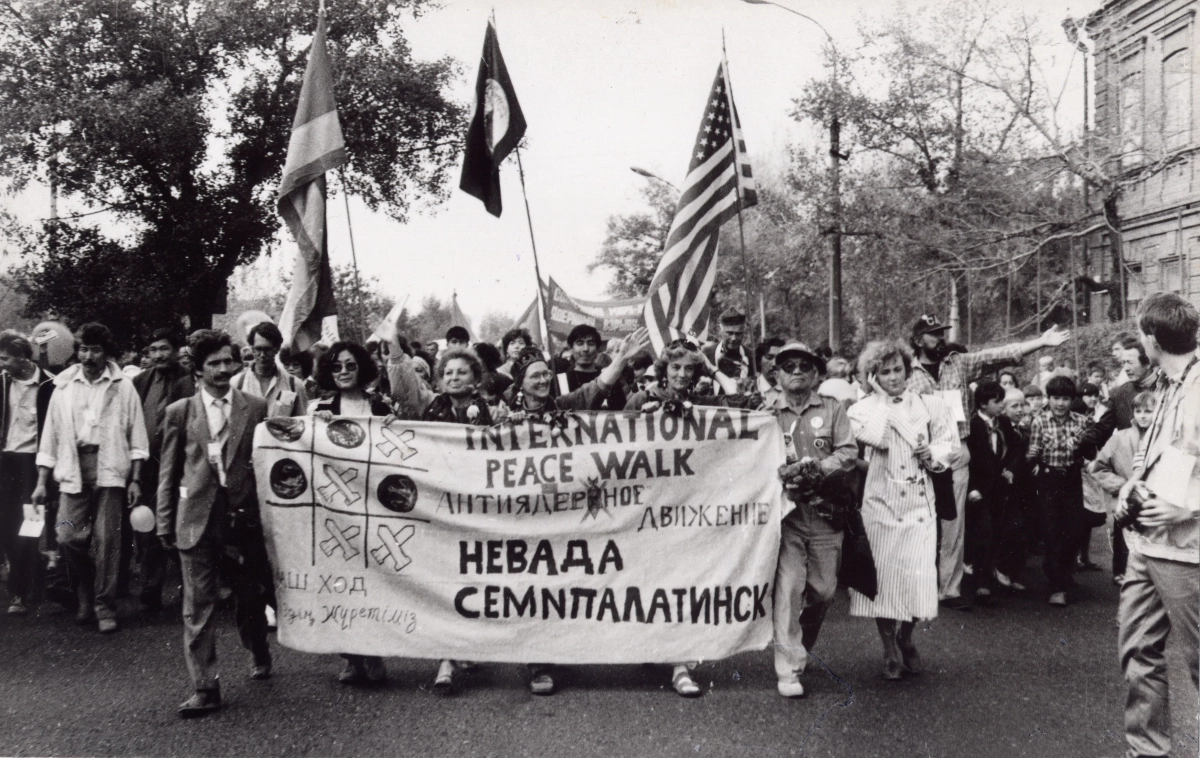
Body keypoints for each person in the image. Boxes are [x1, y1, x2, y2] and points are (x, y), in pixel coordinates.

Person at [906, 313, 1069, 611]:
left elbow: (999, 355)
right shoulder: (906, 371)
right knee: (920, 523)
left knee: (952, 525)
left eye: (943, 333)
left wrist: (1041, 342)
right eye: (933, 334)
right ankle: (918, 585)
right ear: (918, 340)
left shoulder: (957, 362)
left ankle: (949, 590)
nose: (941, 338)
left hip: (955, 451)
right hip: (918, 456)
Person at [156, 329, 273, 717]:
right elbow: (169, 472)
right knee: (198, 605)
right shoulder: (180, 412)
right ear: (198, 370)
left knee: (250, 596)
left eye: (228, 361)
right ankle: (206, 688)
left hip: (241, 521)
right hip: (195, 521)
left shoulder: (254, 408)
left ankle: (258, 649)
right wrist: (164, 521)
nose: (224, 369)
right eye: (214, 364)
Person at [1113, 293, 1199, 758]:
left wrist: (1192, 510)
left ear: (1150, 338)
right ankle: (1146, 751)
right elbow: (1161, 450)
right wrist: (1132, 484)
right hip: (1146, 546)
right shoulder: (1166, 382)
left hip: (1188, 551)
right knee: (1138, 652)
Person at [848, 339, 958, 679]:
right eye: (885, 372)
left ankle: (906, 637)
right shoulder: (862, 408)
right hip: (881, 503)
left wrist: (931, 454)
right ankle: (888, 647)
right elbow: (876, 437)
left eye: (898, 370)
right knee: (883, 579)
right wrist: (879, 396)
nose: (893, 377)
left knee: (917, 578)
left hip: (918, 504)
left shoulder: (933, 404)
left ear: (908, 370)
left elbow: (951, 446)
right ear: (873, 375)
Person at [32, 323, 149, 633]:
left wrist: (136, 479)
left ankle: (103, 605)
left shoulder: (123, 386)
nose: (87, 356)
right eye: (83, 349)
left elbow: (137, 438)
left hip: (111, 468)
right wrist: (42, 482)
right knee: (66, 536)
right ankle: (85, 590)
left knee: (108, 541)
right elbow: (49, 438)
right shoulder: (64, 387)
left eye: (95, 350)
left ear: (106, 352)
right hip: (73, 469)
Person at [762, 342, 857, 698]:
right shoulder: (766, 412)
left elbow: (848, 451)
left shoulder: (832, 409)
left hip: (825, 510)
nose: (797, 371)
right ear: (777, 374)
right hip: (786, 515)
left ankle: (799, 646)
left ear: (816, 373)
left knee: (823, 591)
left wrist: (818, 468)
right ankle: (788, 669)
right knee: (788, 589)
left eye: (804, 365)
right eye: (788, 366)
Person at [307, 341, 394, 687]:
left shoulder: (379, 404)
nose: (343, 372)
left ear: (362, 369)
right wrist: (315, 425)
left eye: (350, 366)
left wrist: (392, 424)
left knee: (371, 581)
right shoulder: (320, 406)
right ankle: (349, 656)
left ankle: (372, 651)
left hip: (372, 503)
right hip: (335, 505)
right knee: (341, 581)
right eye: (336, 367)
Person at [131, 328, 193, 612]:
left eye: (163, 348)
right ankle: (150, 587)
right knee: (147, 527)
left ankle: (187, 590)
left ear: (175, 349)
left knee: (181, 525)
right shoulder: (140, 381)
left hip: (180, 466)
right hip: (147, 466)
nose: (157, 355)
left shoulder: (189, 380)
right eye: (153, 349)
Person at [0, 332, 55, 616]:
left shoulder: (49, 383)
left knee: (30, 525)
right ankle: (26, 579)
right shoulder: (2, 381)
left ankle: (23, 587)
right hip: (6, 461)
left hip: (34, 463)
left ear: (22, 357)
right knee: (7, 526)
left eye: (5, 357)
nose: (2, 363)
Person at [1027, 375, 1089, 607]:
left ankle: (1064, 571)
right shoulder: (1039, 421)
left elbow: (1089, 452)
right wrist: (1032, 468)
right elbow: (1033, 452)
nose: (1060, 404)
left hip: (1072, 478)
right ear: (1048, 399)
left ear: (1071, 400)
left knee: (1074, 529)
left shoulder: (1081, 422)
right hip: (1048, 479)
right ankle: (1057, 586)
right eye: (1055, 398)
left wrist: (1082, 451)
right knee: (1052, 530)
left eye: (1065, 399)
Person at [1090, 391, 1157, 585]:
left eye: (1148, 411)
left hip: (1154, 500)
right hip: (1126, 501)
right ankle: (1120, 572)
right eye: (1138, 411)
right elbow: (1099, 468)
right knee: (1121, 537)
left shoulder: (1161, 439)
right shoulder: (1120, 437)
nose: (1143, 415)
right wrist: (1122, 486)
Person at [965, 381, 1018, 604]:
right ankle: (981, 582)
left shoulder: (1004, 422)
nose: (1000, 405)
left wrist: (1010, 468)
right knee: (982, 533)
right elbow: (968, 460)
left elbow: (1015, 448)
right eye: (997, 401)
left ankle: (995, 573)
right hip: (979, 489)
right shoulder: (972, 425)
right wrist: (972, 488)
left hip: (999, 489)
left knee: (1000, 531)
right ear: (983, 404)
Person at [1078, 338, 1161, 458]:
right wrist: (1078, 441)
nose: (1126, 368)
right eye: (1123, 363)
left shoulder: (1167, 387)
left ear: (1147, 363)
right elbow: (1103, 428)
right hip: (1130, 462)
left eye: (1130, 362)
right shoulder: (1120, 393)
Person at [996, 388, 1032, 591]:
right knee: (1010, 526)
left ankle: (1016, 572)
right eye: (1014, 406)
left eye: (1022, 405)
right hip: (1005, 483)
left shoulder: (1025, 428)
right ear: (1003, 408)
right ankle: (1001, 567)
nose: (1020, 409)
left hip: (1023, 484)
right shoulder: (1001, 427)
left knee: (1024, 527)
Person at [231, 322, 307, 416]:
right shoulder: (237, 383)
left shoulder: (294, 385)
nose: (262, 355)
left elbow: (302, 423)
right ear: (252, 349)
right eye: (258, 349)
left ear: (276, 349)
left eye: (267, 349)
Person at [551, 324, 628, 410]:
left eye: (590, 343)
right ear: (571, 349)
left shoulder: (610, 379)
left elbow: (621, 413)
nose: (585, 349)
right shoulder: (560, 380)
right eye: (580, 343)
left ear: (597, 349)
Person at [701, 308, 755, 381]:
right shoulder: (707, 354)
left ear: (743, 333)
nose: (734, 338)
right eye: (729, 333)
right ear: (721, 331)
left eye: (738, 334)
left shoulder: (751, 357)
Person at [754, 337, 785, 406]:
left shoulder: (792, 389)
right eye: (769, 357)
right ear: (759, 360)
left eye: (779, 359)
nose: (774, 364)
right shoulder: (749, 387)